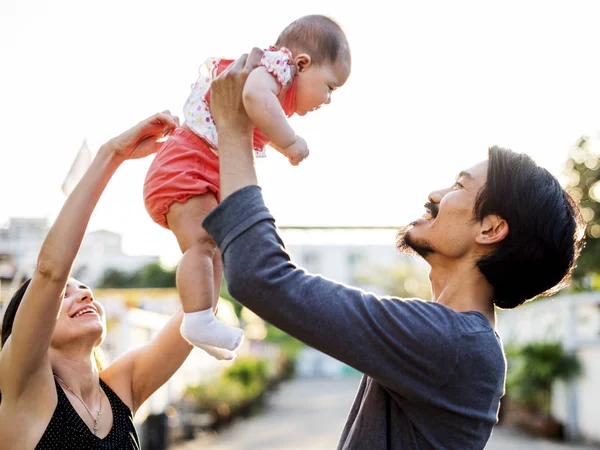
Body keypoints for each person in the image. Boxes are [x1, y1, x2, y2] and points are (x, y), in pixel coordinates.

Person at [201, 50, 585, 449]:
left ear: (491, 229)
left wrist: (233, 127)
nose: (435, 194)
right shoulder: (453, 338)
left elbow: (261, 277)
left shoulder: (449, 343)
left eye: (458, 186)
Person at [142, 15, 351, 360]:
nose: (328, 100)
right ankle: (196, 319)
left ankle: (203, 320)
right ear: (302, 63)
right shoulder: (278, 68)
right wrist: (289, 142)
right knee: (200, 244)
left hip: (200, 169)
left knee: (217, 248)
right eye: (330, 87)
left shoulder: (279, 80)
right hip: (186, 165)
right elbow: (254, 97)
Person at [0, 112, 194, 449]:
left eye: (84, 289)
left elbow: (200, 312)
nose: (85, 295)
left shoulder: (120, 389)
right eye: (65, 295)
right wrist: (112, 154)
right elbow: (50, 273)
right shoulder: (25, 391)